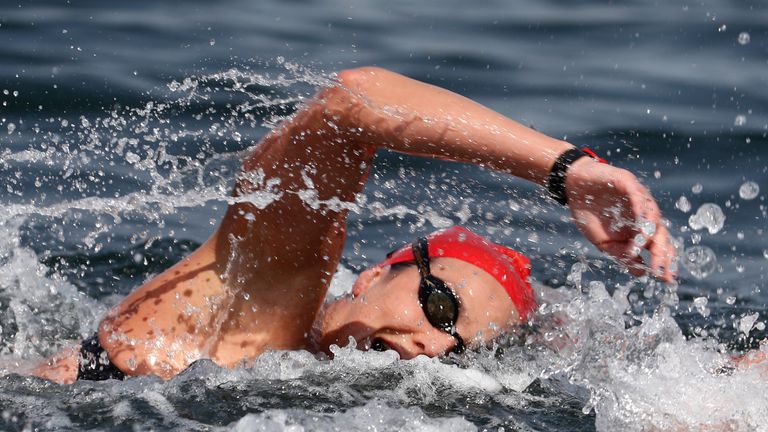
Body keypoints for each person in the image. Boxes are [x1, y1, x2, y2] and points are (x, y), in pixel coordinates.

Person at [31, 67, 675, 384]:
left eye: (462, 347)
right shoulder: (257, 301)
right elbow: (353, 102)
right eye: (440, 304)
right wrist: (568, 171)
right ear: (374, 272)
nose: (433, 345)